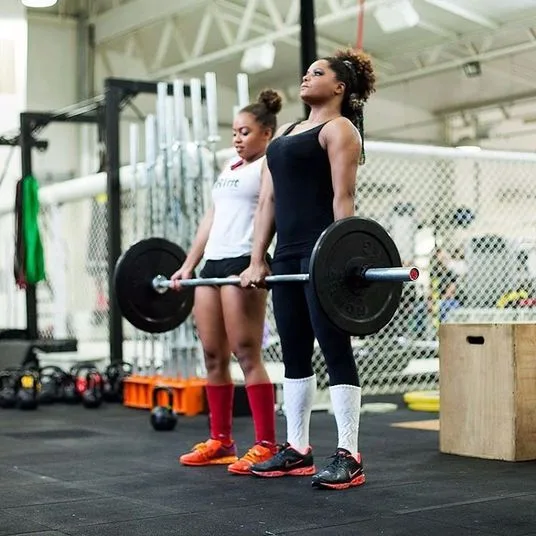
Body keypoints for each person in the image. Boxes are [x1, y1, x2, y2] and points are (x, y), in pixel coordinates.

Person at [239, 48, 376, 490]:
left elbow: (343, 198)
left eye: (317, 72)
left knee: (334, 348)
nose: (306, 75)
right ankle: (296, 448)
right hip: (286, 255)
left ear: (339, 87)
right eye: (306, 70)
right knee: (294, 351)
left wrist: (340, 258)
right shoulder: (289, 133)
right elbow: (268, 202)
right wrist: (258, 257)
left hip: (322, 253)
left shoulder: (340, 130)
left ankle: (348, 453)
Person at [170, 90, 283, 474]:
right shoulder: (231, 168)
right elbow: (211, 219)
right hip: (213, 266)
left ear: (266, 133)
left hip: (242, 264)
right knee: (213, 355)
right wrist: (188, 265)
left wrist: (256, 262)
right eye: (234, 131)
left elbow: (268, 210)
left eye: (245, 131)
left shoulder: (269, 164)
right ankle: (221, 441)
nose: (237, 138)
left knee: (247, 353)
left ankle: (267, 444)